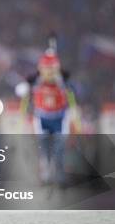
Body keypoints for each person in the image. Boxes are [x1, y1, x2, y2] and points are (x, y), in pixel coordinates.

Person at [21, 48, 79, 186]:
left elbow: (72, 97)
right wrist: (24, 114)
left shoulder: (63, 83)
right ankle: (45, 175)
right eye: (46, 68)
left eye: (52, 69)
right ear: (40, 68)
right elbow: (25, 97)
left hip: (59, 118)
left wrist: (74, 114)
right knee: (43, 148)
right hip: (42, 118)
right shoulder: (34, 82)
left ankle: (59, 176)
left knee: (59, 148)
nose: (49, 72)